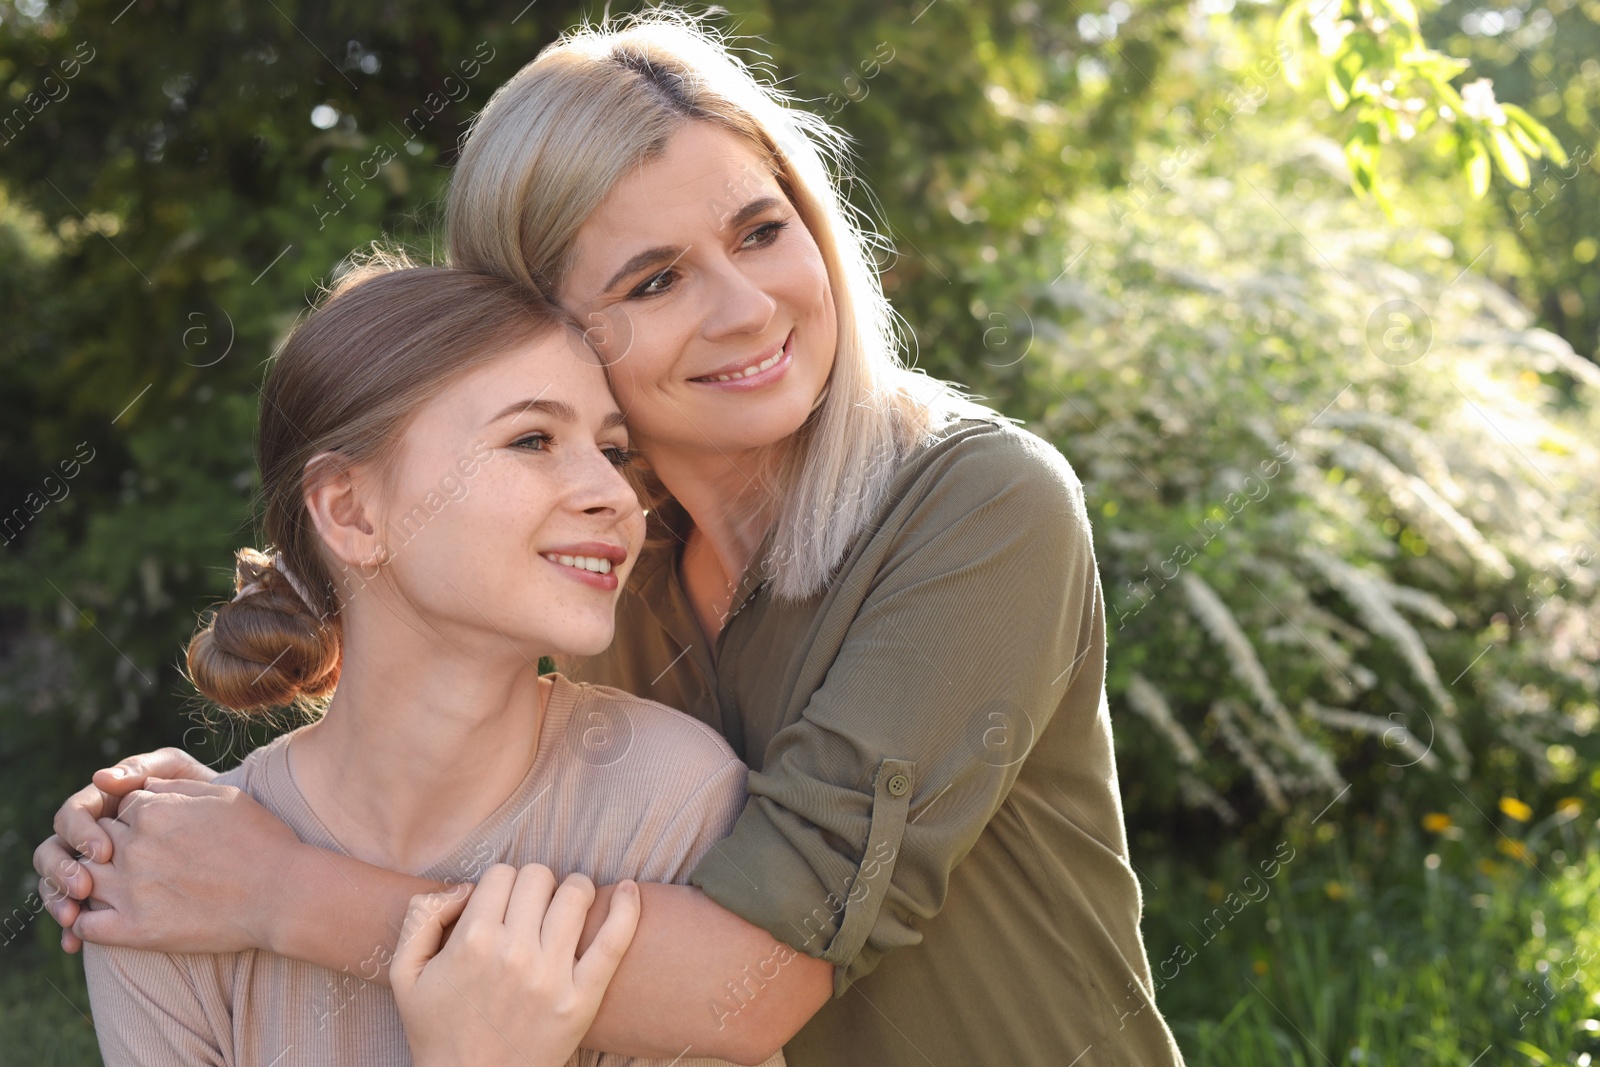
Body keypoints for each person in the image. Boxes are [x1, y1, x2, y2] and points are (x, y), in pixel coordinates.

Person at [37, 13, 1184, 1065]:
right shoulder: (593, 565)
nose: (744, 307)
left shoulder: (978, 502)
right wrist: (148, 832)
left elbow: (753, 979)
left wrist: (277, 889)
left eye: (759, 228)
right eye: (655, 278)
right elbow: (426, 710)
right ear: (543, 331)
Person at [77, 259, 784, 1067]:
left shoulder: (671, 800)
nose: (616, 495)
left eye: (614, 450)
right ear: (351, 510)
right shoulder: (163, 873)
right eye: (531, 438)